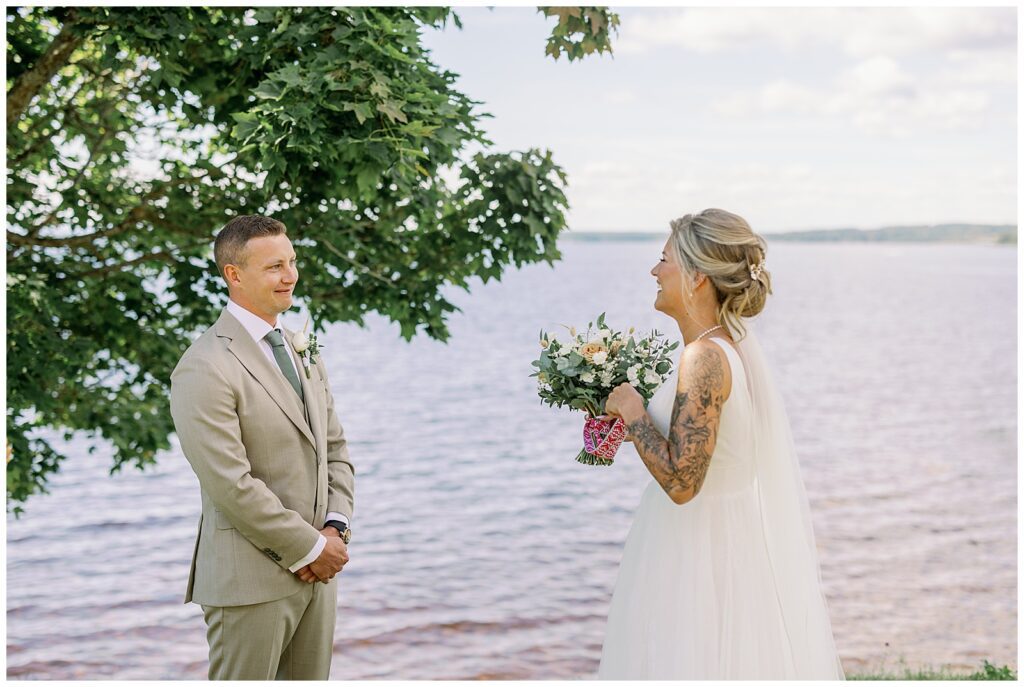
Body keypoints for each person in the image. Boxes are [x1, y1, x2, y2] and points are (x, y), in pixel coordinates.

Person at [598, 208, 845, 679]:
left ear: (696, 278)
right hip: (724, 538)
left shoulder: (705, 358)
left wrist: (632, 411)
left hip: (698, 548)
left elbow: (683, 482)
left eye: (664, 259)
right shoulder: (727, 345)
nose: (654, 270)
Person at [170, 214, 355, 680]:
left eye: (292, 262)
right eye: (274, 266)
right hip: (249, 584)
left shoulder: (299, 347)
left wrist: (335, 528)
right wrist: (311, 547)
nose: (290, 276)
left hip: (318, 577)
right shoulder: (205, 366)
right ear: (234, 274)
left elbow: (333, 447)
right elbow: (231, 485)